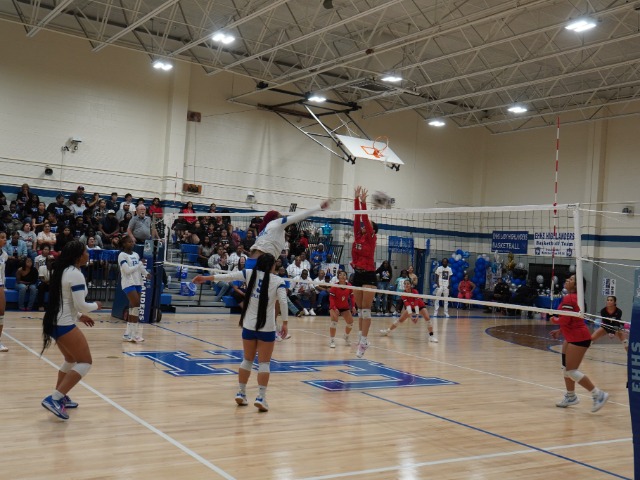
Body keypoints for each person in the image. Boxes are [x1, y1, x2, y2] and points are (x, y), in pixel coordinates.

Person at [193, 253, 288, 412]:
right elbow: (283, 302)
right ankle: (261, 397)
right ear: (272, 266)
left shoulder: (249, 273)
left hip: (248, 326)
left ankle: (241, 393)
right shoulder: (278, 281)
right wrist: (285, 323)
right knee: (264, 363)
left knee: (247, 360)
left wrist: (205, 278)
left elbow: (227, 277)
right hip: (267, 328)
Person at [40, 240, 102, 420]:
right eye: (86, 252)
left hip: (54, 321)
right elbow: (81, 304)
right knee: (85, 362)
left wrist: (79, 316)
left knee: (70, 359)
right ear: (78, 256)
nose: (88, 255)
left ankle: (60, 395)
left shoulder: (64, 271)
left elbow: (65, 302)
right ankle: (55, 398)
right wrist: (96, 305)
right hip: (63, 324)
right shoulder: (75, 274)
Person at [550, 275, 609, 412]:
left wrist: (554, 320)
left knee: (571, 371)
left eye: (571, 280)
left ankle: (598, 394)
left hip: (579, 338)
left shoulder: (570, 298)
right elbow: (572, 319)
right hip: (570, 337)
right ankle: (571, 396)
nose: (567, 280)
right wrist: (560, 330)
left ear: (576, 286)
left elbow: (565, 320)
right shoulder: (573, 298)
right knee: (566, 368)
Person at [247, 199, 331, 270]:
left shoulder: (265, 229)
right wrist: (319, 207)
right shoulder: (277, 222)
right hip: (261, 264)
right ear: (275, 218)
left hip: (251, 262)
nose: (282, 217)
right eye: (280, 216)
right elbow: (299, 216)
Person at [351, 186, 378, 358]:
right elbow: (357, 218)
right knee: (360, 309)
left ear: (372, 230)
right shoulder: (357, 237)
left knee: (366, 310)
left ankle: (364, 341)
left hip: (369, 275)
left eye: (367, 226)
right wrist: (355, 200)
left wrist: (363, 202)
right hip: (358, 274)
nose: (363, 226)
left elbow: (365, 219)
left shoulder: (371, 238)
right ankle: (362, 339)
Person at [118, 235, 148, 342]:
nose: (132, 243)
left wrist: (146, 273)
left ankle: (128, 334)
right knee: (136, 305)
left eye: (132, 242)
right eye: (129, 242)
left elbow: (140, 268)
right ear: (124, 244)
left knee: (133, 307)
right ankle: (135, 334)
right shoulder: (122, 255)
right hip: (128, 282)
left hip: (137, 282)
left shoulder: (136, 254)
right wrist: (140, 263)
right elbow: (127, 270)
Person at [327, 270, 356, 348]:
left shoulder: (349, 286)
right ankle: (332, 340)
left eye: (344, 275)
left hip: (344, 307)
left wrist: (353, 306)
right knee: (334, 322)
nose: (342, 276)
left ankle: (346, 336)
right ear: (338, 277)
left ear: (346, 277)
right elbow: (331, 299)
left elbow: (352, 297)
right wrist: (334, 308)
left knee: (350, 323)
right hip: (334, 307)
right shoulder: (334, 286)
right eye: (340, 275)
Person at [0, 232, 8, 352]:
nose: (5, 240)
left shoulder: (5, 255)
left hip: (0, 285)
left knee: (1, 312)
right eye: (2, 238)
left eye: (5, 238)